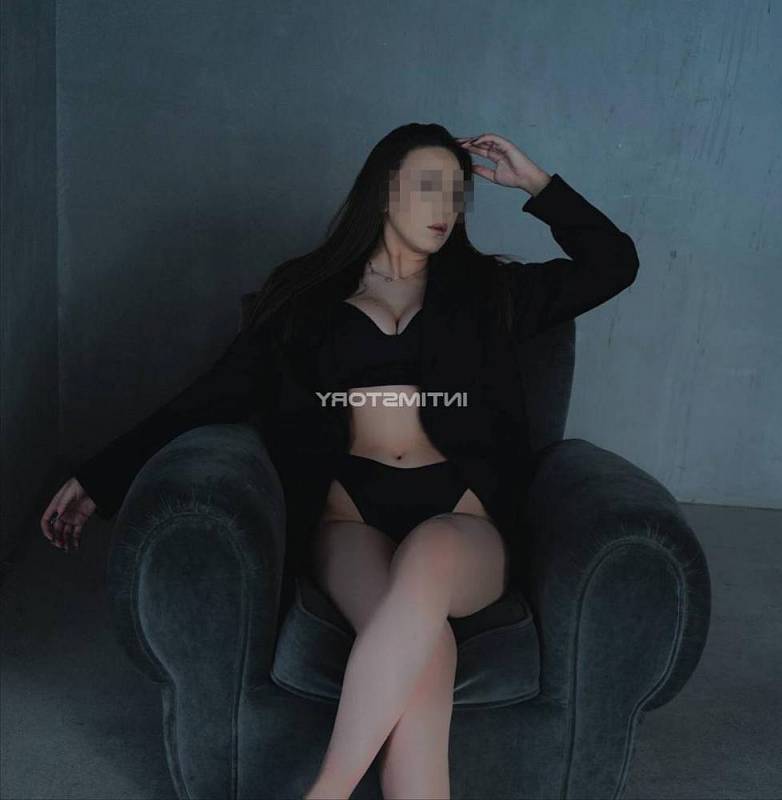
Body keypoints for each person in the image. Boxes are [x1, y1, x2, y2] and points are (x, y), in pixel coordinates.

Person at [41, 124, 639, 799]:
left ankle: (325, 791)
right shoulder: (306, 294)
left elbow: (613, 264)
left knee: (424, 569)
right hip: (350, 514)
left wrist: (535, 183)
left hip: (462, 511)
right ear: (383, 191)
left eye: (457, 193)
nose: (445, 207)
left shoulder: (493, 290)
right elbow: (214, 392)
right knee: (427, 650)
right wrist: (101, 476)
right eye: (428, 187)